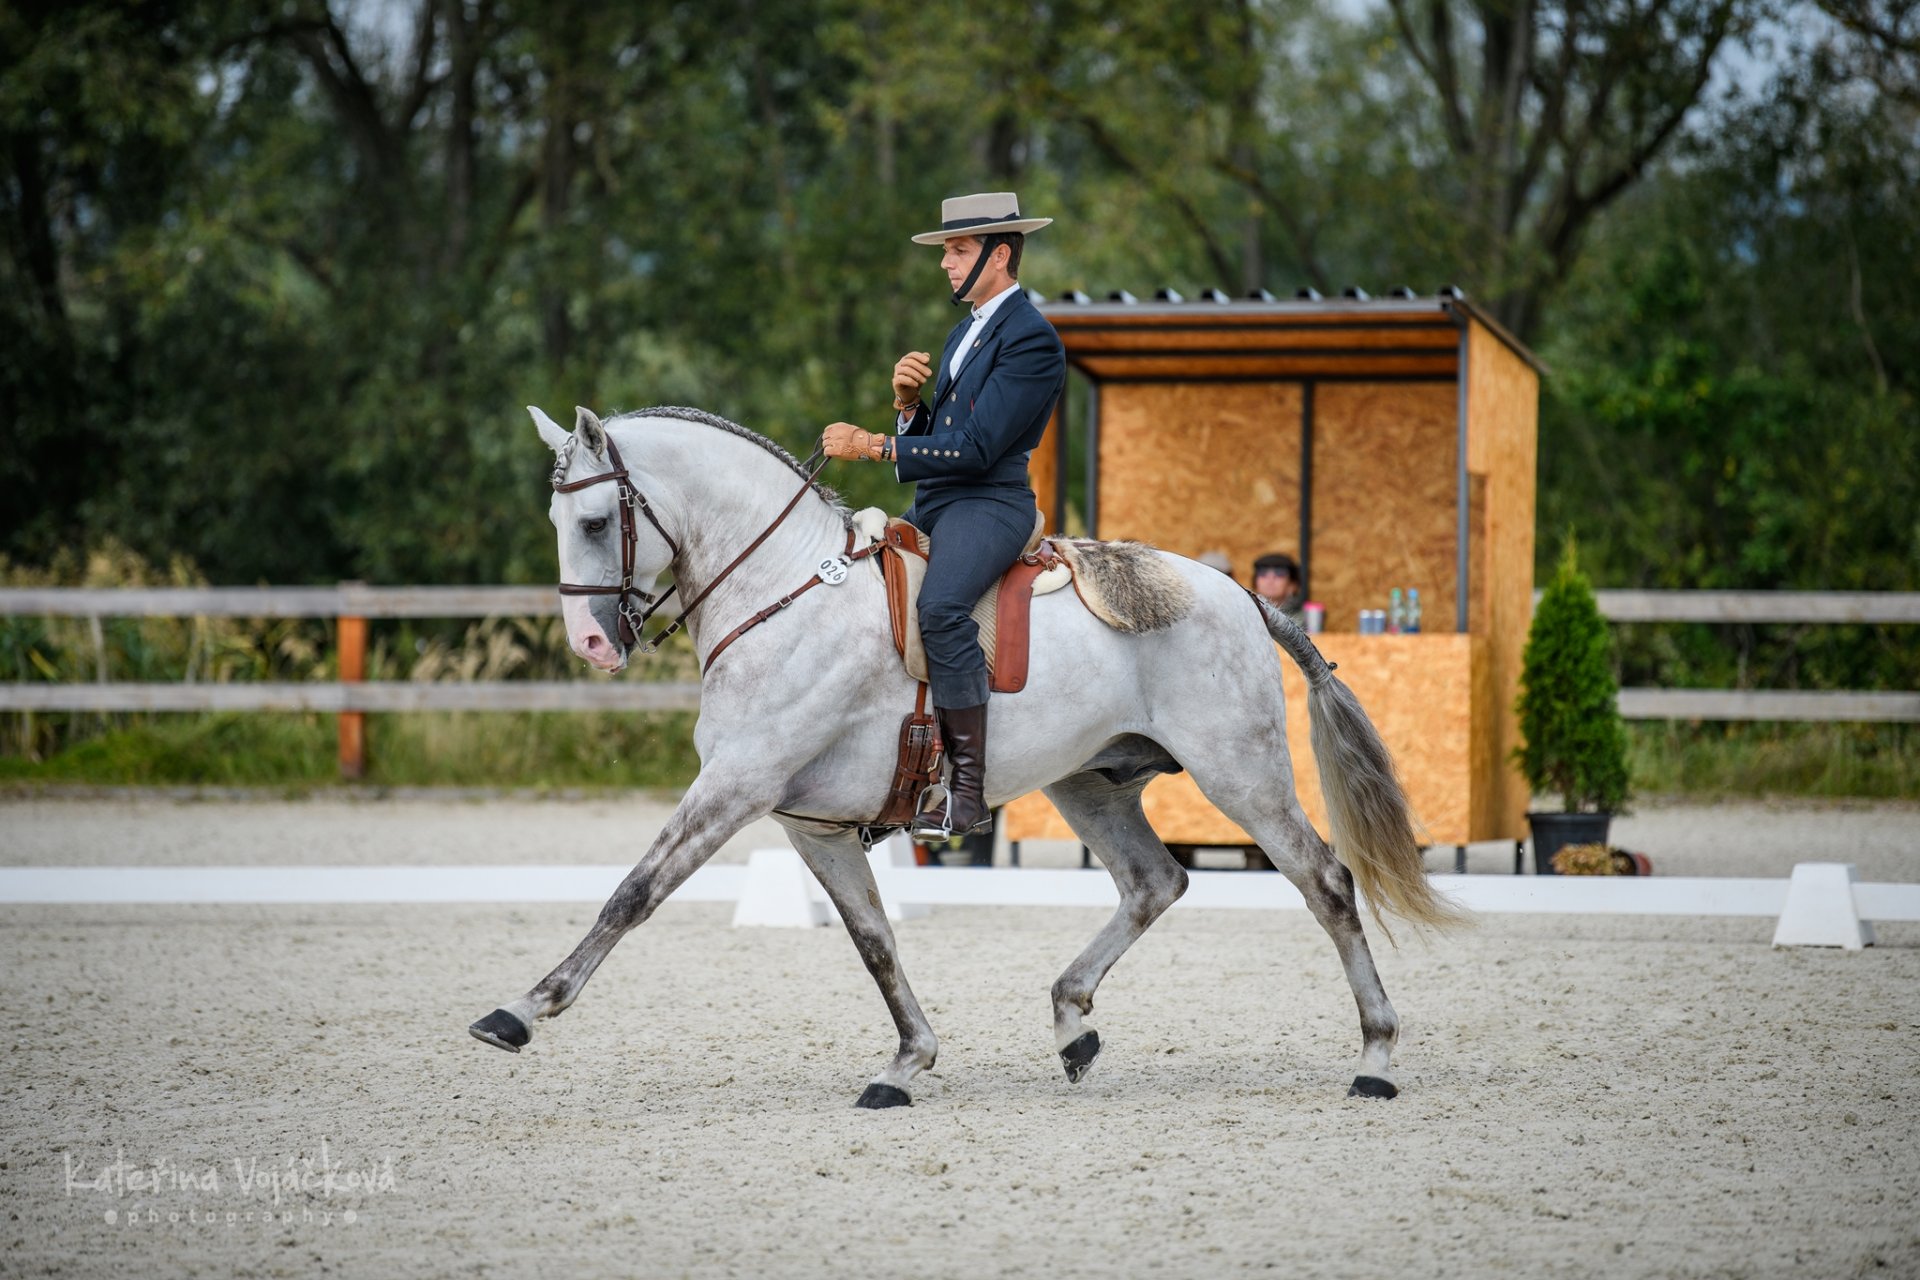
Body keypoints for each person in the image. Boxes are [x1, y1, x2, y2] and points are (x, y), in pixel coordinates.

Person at [820, 192, 1066, 838]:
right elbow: (948, 434)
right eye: (949, 252)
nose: (946, 264)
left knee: (941, 610)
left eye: (957, 251)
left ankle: (966, 790)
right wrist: (909, 409)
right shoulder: (967, 329)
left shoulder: (1032, 339)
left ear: (1000, 254)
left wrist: (877, 444)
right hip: (941, 500)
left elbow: (980, 449)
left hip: (991, 503)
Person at [1252, 552, 1304, 620]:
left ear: (1292, 585)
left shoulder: (1306, 618)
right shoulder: (1247, 612)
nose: (1270, 579)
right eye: (1262, 572)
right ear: (1255, 583)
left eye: (1279, 573)